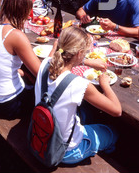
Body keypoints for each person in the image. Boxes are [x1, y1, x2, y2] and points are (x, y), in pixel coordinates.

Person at [34, 26, 122, 165]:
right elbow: (117, 111)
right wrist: (104, 84)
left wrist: (85, 61)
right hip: (66, 151)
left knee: (86, 112)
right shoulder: (79, 84)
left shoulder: (44, 63)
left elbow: (57, 56)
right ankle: (106, 158)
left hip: (40, 137)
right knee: (113, 132)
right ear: (79, 53)